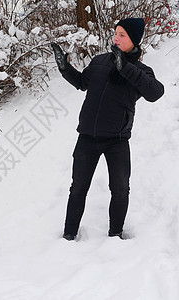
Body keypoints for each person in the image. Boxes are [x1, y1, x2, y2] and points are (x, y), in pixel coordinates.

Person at [51, 18, 164, 241]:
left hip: (117, 140)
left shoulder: (142, 71)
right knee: (78, 189)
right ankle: (68, 235)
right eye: (116, 33)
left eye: (122, 35)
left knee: (120, 190)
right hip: (87, 138)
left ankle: (115, 234)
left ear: (134, 40)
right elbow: (83, 82)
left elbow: (155, 93)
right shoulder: (100, 61)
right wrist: (65, 68)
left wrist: (126, 68)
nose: (116, 38)